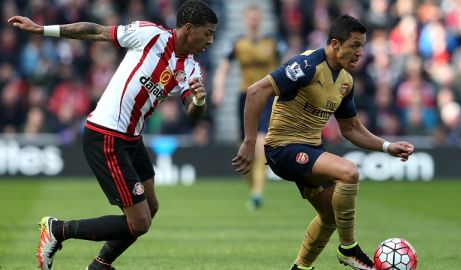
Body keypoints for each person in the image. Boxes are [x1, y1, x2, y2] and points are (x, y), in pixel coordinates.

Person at [8, 1, 217, 269]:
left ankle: (99, 265)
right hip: (106, 133)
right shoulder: (149, 35)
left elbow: (192, 110)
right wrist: (42, 30)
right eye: (208, 32)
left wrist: (199, 101)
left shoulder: (190, 69)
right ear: (189, 29)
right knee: (139, 222)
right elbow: (95, 31)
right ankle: (57, 230)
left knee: (150, 208)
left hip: (132, 139)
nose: (211, 41)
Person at [232, 15, 414, 270]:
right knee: (349, 172)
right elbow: (255, 91)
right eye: (355, 45)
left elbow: (351, 129)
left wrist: (386, 146)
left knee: (329, 217)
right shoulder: (306, 65)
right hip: (282, 149)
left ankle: (300, 268)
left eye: (363, 46)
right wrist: (250, 142)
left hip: (309, 149)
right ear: (336, 44)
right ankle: (348, 247)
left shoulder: (346, 81)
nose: (360, 52)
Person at [212, 5, 283, 210]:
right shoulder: (237, 43)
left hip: (268, 97)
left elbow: (285, 66)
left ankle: (258, 191)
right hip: (245, 98)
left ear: (260, 19)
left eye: (256, 18)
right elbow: (224, 67)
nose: (253, 21)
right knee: (243, 146)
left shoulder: (273, 42)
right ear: (245, 20)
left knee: (261, 141)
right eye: (250, 18)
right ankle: (253, 188)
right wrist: (218, 89)